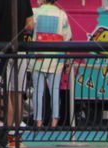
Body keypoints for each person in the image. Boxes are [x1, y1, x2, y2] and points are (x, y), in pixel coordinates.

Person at [0, 0, 33, 148]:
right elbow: (30, 24)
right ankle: (16, 136)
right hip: (19, 49)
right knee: (16, 93)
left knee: (2, 95)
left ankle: (5, 134)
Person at [30, 0, 71, 129]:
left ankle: (38, 120)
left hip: (38, 57)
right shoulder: (61, 14)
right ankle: (54, 120)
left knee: (38, 91)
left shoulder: (35, 12)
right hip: (56, 58)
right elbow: (67, 37)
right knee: (54, 90)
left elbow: (28, 29)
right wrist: (67, 60)